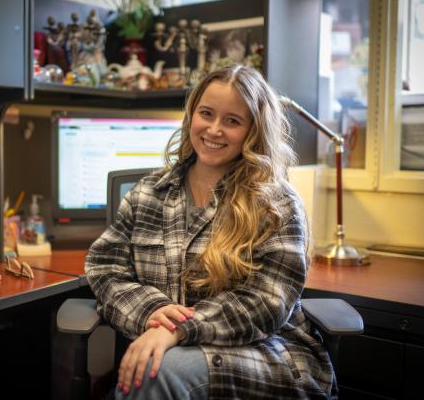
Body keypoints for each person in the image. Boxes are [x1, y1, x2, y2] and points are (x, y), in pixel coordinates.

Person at [85, 65, 335, 399]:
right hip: (169, 349)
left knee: (158, 372)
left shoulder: (275, 202)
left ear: (253, 131)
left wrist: (178, 329)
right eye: (206, 113)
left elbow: (267, 302)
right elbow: (105, 268)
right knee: (157, 369)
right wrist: (152, 310)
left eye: (233, 121)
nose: (214, 129)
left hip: (266, 353)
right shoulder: (147, 193)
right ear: (191, 116)